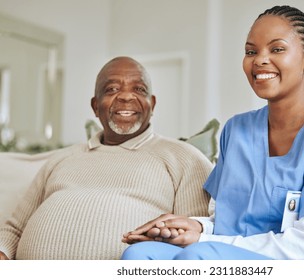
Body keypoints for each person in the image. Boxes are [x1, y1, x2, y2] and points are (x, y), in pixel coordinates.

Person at [120, 5, 304, 260]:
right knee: (140, 255)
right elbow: (230, 223)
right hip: (236, 254)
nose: (260, 59)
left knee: (199, 256)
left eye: (277, 49)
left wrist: (204, 240)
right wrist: (196, 227)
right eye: (251, 51)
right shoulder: (236, 130)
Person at [0, 56, 212, 260]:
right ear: (95, 105)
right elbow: (14, 229)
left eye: (139, 89)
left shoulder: (185, 158)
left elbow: (196, 241)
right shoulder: (61, 158)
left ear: (152, 104)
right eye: (112, 89)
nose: (126, 97)